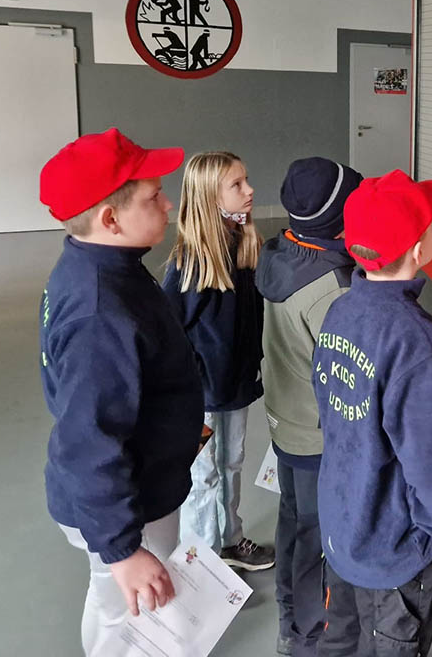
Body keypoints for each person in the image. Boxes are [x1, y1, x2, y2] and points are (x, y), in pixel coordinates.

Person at [38, 127, 202, 655]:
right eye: (154, 196)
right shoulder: (99, 311)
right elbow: (88, 438)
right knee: (127, 616)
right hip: (127, 505)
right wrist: (123, 549)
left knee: (114, 603)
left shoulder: (108, 266)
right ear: (110, 218)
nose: (169, 203)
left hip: (135, 481)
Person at [313, 170, 432, 657]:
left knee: (346, 635)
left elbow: (332, 412)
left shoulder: (340, 312)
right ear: (421, 248)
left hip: (343, 523)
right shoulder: (418, 344)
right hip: (396, 547)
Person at [256, 157, 362, 657]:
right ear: (339, 219)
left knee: (294, 520)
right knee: (320, 543)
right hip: (321, 437)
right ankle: (309, 637)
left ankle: (287, 618)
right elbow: (349, 372)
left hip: (286, 423)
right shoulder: (330, 291)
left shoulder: (280, 251)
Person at [161, 151, 275, 572]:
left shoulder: (244, 244)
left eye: (247, 181)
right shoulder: (190, 262)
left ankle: (229, 541)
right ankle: (205, 567)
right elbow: (167, 332)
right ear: (210, 198)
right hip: (200, 397)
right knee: (202, 477)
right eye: (237, 185)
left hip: (236, 386)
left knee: (232, 462)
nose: (249, 191)